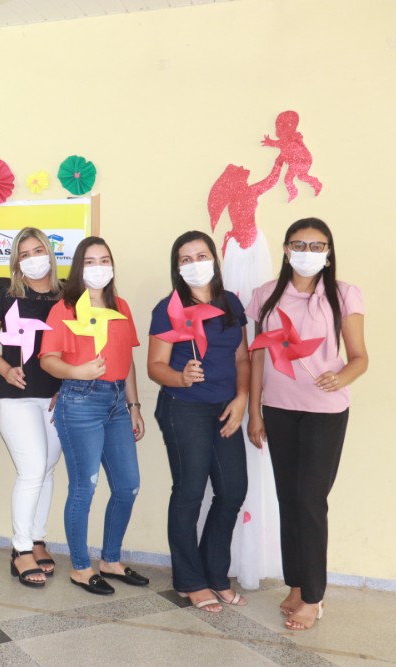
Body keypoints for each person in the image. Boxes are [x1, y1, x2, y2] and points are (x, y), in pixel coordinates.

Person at [246, 218, 367, 630]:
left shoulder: (343, 294)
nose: (308, 253)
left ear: (329, 252)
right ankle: (297, 584)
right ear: (285, 250)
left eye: (317, 246)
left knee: (311, 501)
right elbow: (258, 356)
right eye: (299, 245)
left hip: (325, 412)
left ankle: (314, 597)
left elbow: (360, 357)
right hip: (279, 410)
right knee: (288, 498)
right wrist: (255, 411)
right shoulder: (266, 295)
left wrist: (342, 377)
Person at [147, 231, 250, 613]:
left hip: (225, 406)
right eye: (185, 259)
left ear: (214, 260)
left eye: (201, 256)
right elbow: (155, 366)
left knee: (233, 490)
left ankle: (215, 574)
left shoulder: (231, 302)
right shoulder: (167, 308)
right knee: (189, 492)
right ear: (177, 268)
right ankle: (190, 580)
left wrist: (242, 399)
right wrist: (181, 377)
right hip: (183, 407)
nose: (194, 264)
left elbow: (242, 358)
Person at [39, 236, 147, 595]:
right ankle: (80, 567)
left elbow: (127, 360)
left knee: (128, 485)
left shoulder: (121, 306)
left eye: (104, 261)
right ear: (78, 268)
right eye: (89, 262)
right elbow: (48, 359)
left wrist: (134, 406)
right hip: (80, 401)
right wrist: (78, 372)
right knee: (84, 486)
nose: (98, 268)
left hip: (117, 402)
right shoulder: (65, 308)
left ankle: (110, 559)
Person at [0, 227, 62, 587]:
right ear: (16, 261)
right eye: (24, 254)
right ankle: (21, 548)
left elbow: (79, 344)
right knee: (32, 469)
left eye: (37, 250)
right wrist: (6, 370)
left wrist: (68, 386)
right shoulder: (5, 294)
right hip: (18, 397)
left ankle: (37, 539)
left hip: (57, 397)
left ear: (50, 254)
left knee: (48, 469)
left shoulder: (67, 295)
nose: (32, 258)